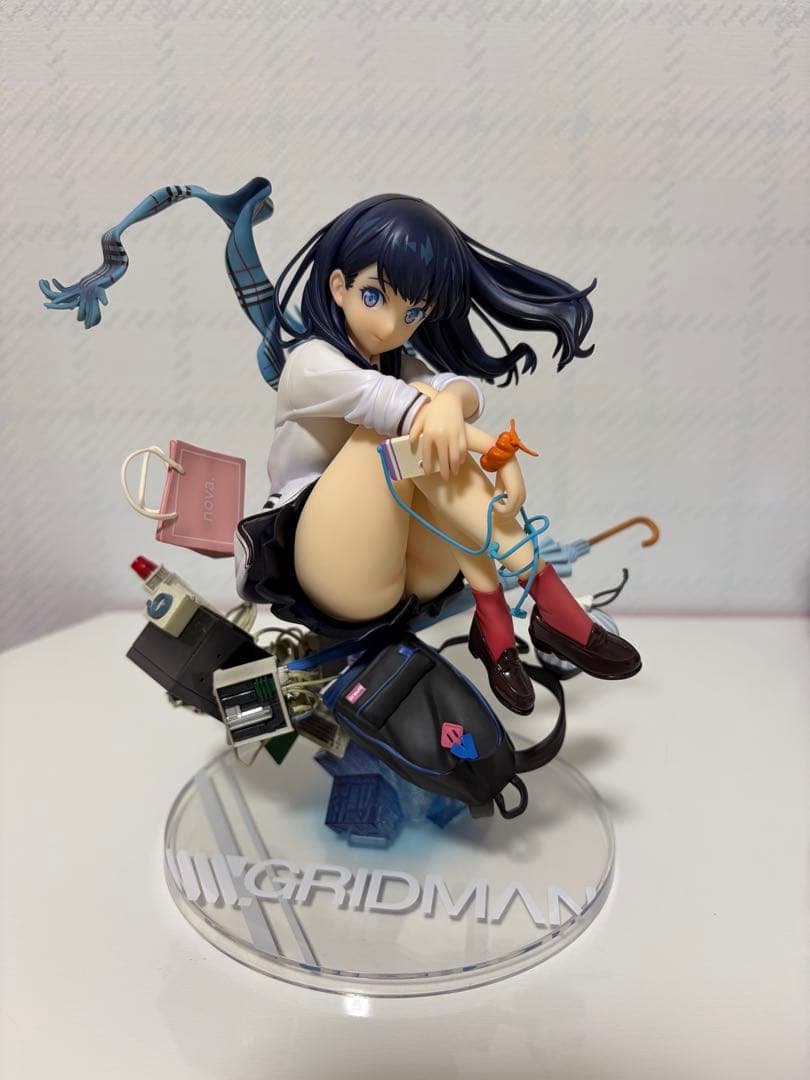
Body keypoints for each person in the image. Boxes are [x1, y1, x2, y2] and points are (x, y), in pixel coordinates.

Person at [40, 178, 641, 716]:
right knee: (399, 429)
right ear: (338, 285)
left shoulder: (398, 362)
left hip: (417, 571)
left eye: (414, 311)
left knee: (425, 421)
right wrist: (484, 442)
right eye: (377, 297)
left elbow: (461, 393)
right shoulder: (312, 364)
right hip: (331, 568)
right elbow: (396, 407)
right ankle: (550, 603)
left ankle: (498, 619)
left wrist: (457, 409)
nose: (392, 326)